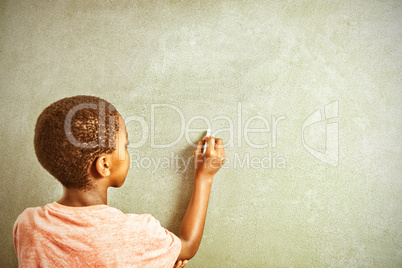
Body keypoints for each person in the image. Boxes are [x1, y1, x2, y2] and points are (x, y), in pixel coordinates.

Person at [13, 95, 225, 267]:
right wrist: (204, 177)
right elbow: (187, 245)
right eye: (125, 146)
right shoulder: (137, 233)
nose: (127, 151)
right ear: (104, 165)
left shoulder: (27, 225)